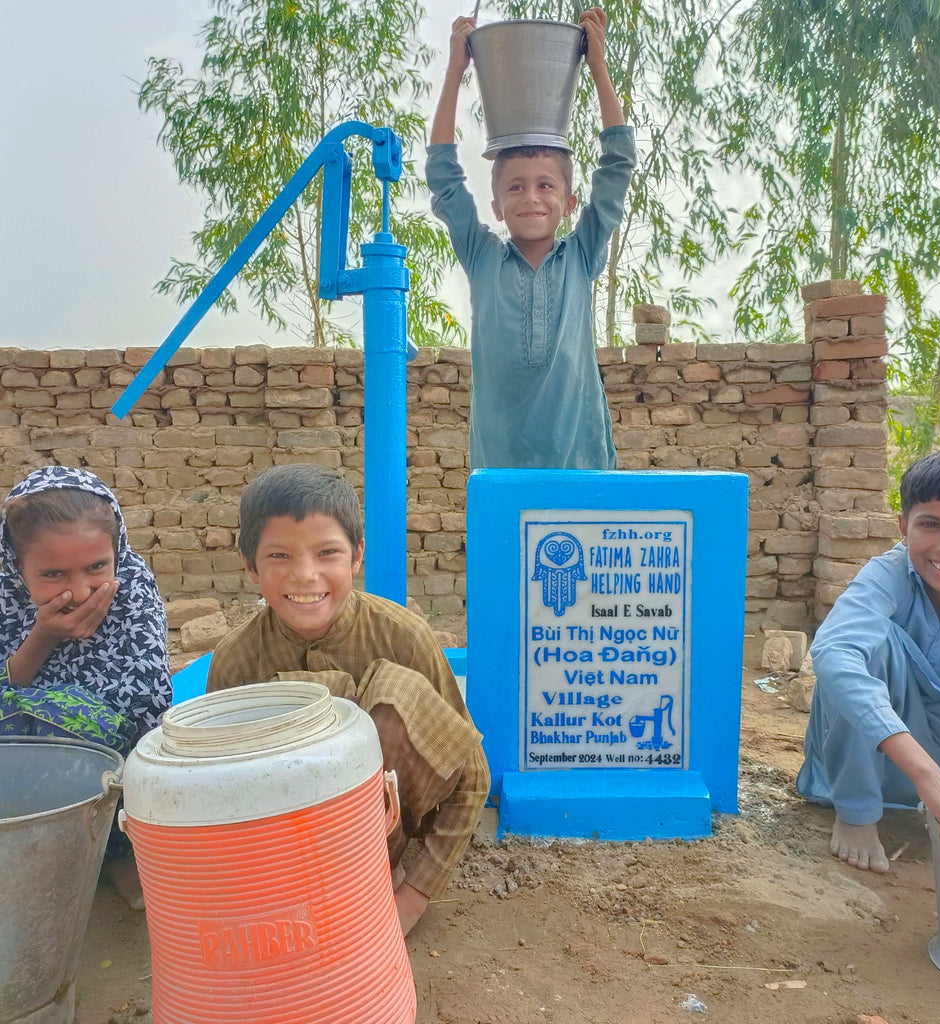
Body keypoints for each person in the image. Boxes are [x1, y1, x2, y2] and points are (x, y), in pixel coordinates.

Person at [206, 464, 490, 935]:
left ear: (356, 556)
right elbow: (222, 794)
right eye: (279, 555)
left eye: (327, 553)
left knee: (392, 695)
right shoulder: (235, 662)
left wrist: (412, 897)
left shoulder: (403, 637)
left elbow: (472, 775)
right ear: (249, 564)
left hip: (386, 843)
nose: (304, 575)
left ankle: (374, 880)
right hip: (285, 853)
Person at [427, 7, 636, 470]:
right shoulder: (483, 258)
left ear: (570, 201)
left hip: (582, 468)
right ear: (497, 205)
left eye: (546, 185)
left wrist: (597, 64)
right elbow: (443, 176)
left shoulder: (581, 256)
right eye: (515, 186)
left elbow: (618, 164)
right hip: (500, 471)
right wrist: (455, 70)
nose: (532, 197)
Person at [798, 449, 940, 872]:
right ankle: (857, 814)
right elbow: (833, 653)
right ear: (904, 527)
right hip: (877, 771)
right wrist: (930, 780)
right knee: (858, 652)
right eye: (931, 525)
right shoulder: (888, 576)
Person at [0, 466, 172, 908]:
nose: (79, 590)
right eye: (53, 574)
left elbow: (148, 699)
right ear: (16, 567)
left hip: (104, 762)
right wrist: (42, 637)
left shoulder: (132, 591)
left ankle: (117, 851)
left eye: (97, 566)